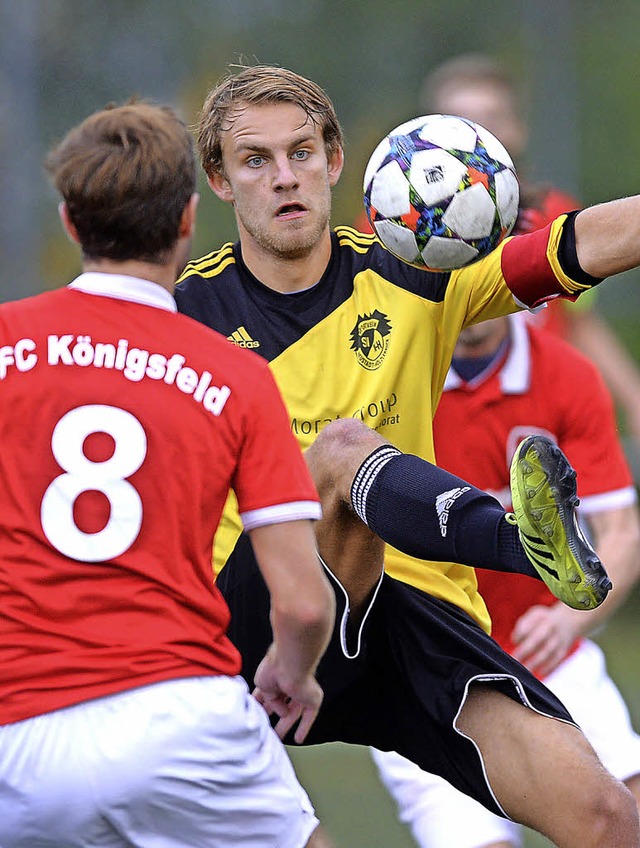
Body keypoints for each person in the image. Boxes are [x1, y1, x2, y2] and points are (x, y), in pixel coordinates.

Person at [175, 64, 640, 847]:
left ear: (335, 159)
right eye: (256, 160)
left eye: (301, 152)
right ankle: (519, 539)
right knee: (340, 452)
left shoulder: (415, 272)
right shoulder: (185, 318)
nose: (284, 177)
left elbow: (580, 243)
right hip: (257, 625)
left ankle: (518, 544)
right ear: (220, 180)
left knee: (607, 815)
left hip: (412, 606)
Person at [0, 100, 337, 848]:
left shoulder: (4, 342)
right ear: (188, 219)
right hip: (178, 717)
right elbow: (305, 605)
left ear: (70, 222)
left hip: (14, 738)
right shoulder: (236, 376)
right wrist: (293, 671)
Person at [370, 312, 640, 848]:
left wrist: (567, 621)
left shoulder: (564, 373)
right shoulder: (382, 372)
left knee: (627, 817)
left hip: (549, 659)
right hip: (427, 677)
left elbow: (622, 532)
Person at [417, 52, 640, 446]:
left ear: (518, 129)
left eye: (491, 120)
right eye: (459, 122)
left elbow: (581, 322)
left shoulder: (557, 216)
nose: (476, 136)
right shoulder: (398, 226)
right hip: (445, 433)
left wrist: (634, 397)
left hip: (544, 427)